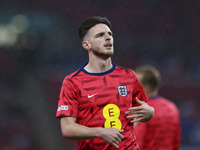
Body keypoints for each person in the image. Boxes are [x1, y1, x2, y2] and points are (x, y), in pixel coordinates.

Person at [56, 16, 154, 150]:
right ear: (86, 45)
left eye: (110, 34)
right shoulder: (73, 82)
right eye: (100, 35)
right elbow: (67, 129)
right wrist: (100, 132)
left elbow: (142, 113)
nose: (108, 38)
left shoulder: (128, 76)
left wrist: (150, 113)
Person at [134, 65, 181, 150]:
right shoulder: (172, 108)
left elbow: (137, 143)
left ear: (147, 87)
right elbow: (176, 141)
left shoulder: (142, 110)